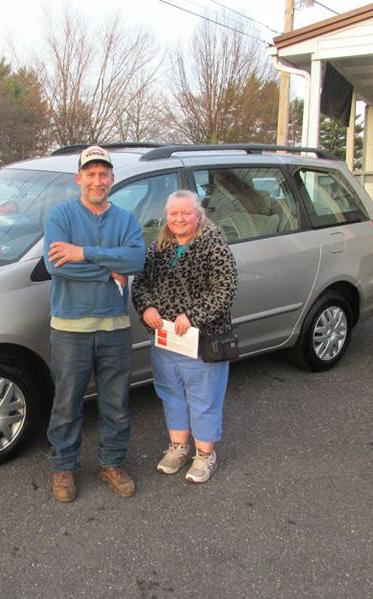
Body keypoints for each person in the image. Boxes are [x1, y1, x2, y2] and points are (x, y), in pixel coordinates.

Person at [43, 145, 145, 503]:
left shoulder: (126, 219)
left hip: (115, 328)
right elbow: (58, 266)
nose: (97, 181)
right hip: (70, 329)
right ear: (79, 179)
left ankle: (112, 463)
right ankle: (64, 468)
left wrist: (84, 252)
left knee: (116, 403)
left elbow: (136, 260)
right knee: (67, 404)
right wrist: (109, 272)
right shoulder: (62, 215)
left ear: (112, 179)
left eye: (104, 174)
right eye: (91, 174)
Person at [131, 189, 237, 484]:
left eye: (186, 213)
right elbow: (140, 282)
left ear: (198, 215)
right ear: (167, 216)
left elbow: (225, 289)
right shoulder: (160, 246)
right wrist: (147, 307)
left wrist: (192, 316)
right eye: (173, 213)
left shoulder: (212, 243)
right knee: (171, 393)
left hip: (201, 340)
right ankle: (178, 448)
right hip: (165, 339)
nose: (179, 218)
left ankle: (205, 455)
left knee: (204, 397)